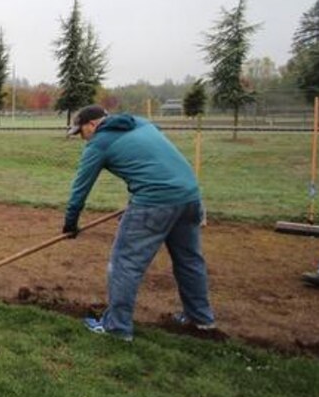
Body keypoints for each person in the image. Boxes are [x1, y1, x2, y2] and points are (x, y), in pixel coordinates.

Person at [63, 104, 215, 341]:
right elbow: (151, 162)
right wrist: (137, 203)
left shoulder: (99, 143)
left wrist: (70, 224)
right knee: (189, 260)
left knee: (124, 264)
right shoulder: (140, 122)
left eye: (80, 132)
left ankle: (116, 328)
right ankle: (201, 319)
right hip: (190, 197)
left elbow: (79, 190)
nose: (82, 138)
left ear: (92, 124)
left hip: (155, 201)